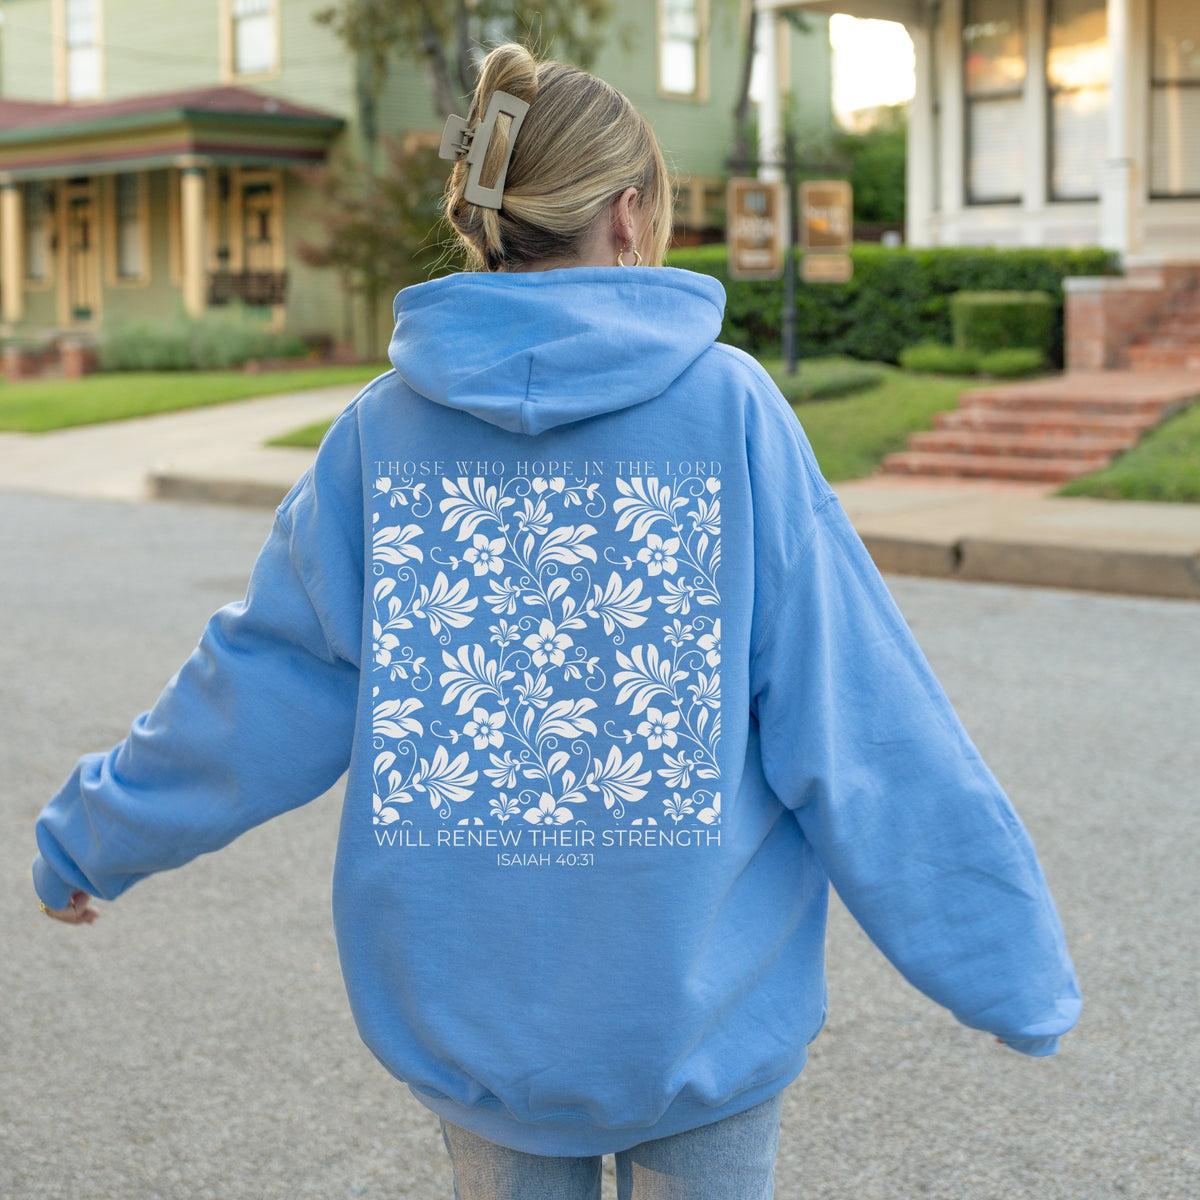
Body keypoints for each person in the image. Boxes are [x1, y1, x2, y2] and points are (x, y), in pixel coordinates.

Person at [33, 43, 1080, 1200]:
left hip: (478, 1030)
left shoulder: (381, 437)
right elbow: (860, 714)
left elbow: (258, 685)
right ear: (628, 217)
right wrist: (1005, 964)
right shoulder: (730, 411)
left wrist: (97, 832)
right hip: (700, 1016)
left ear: (488, 220)